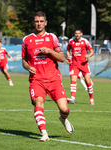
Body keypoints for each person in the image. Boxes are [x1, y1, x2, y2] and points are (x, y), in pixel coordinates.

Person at [22, 11, 74, 142]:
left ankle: (63, 119)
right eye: (36, 21)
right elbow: (23, 60)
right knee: (38, 102)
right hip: (36, 79)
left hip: (54, 78)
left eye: (41, 21)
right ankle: (44, 134)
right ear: (33, 22)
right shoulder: (27, 40)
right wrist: (28, 67)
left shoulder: (52, 38)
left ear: (46, 23)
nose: (39, 24)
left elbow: (62, 58)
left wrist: (50, 51)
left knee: (64, 108)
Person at [66, 28, 94, 105]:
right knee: (73, 79)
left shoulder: (85, 41)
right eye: (76, 33)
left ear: (81, 34)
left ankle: (91, 98)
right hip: (74, 64)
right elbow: (68, 50)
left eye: (78, 33)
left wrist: (88, 56)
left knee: (88, 81)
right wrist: (68, 57)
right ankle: (72, 98)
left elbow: (92, 52)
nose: (77, 35)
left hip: (84, 64)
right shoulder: (71, 41)